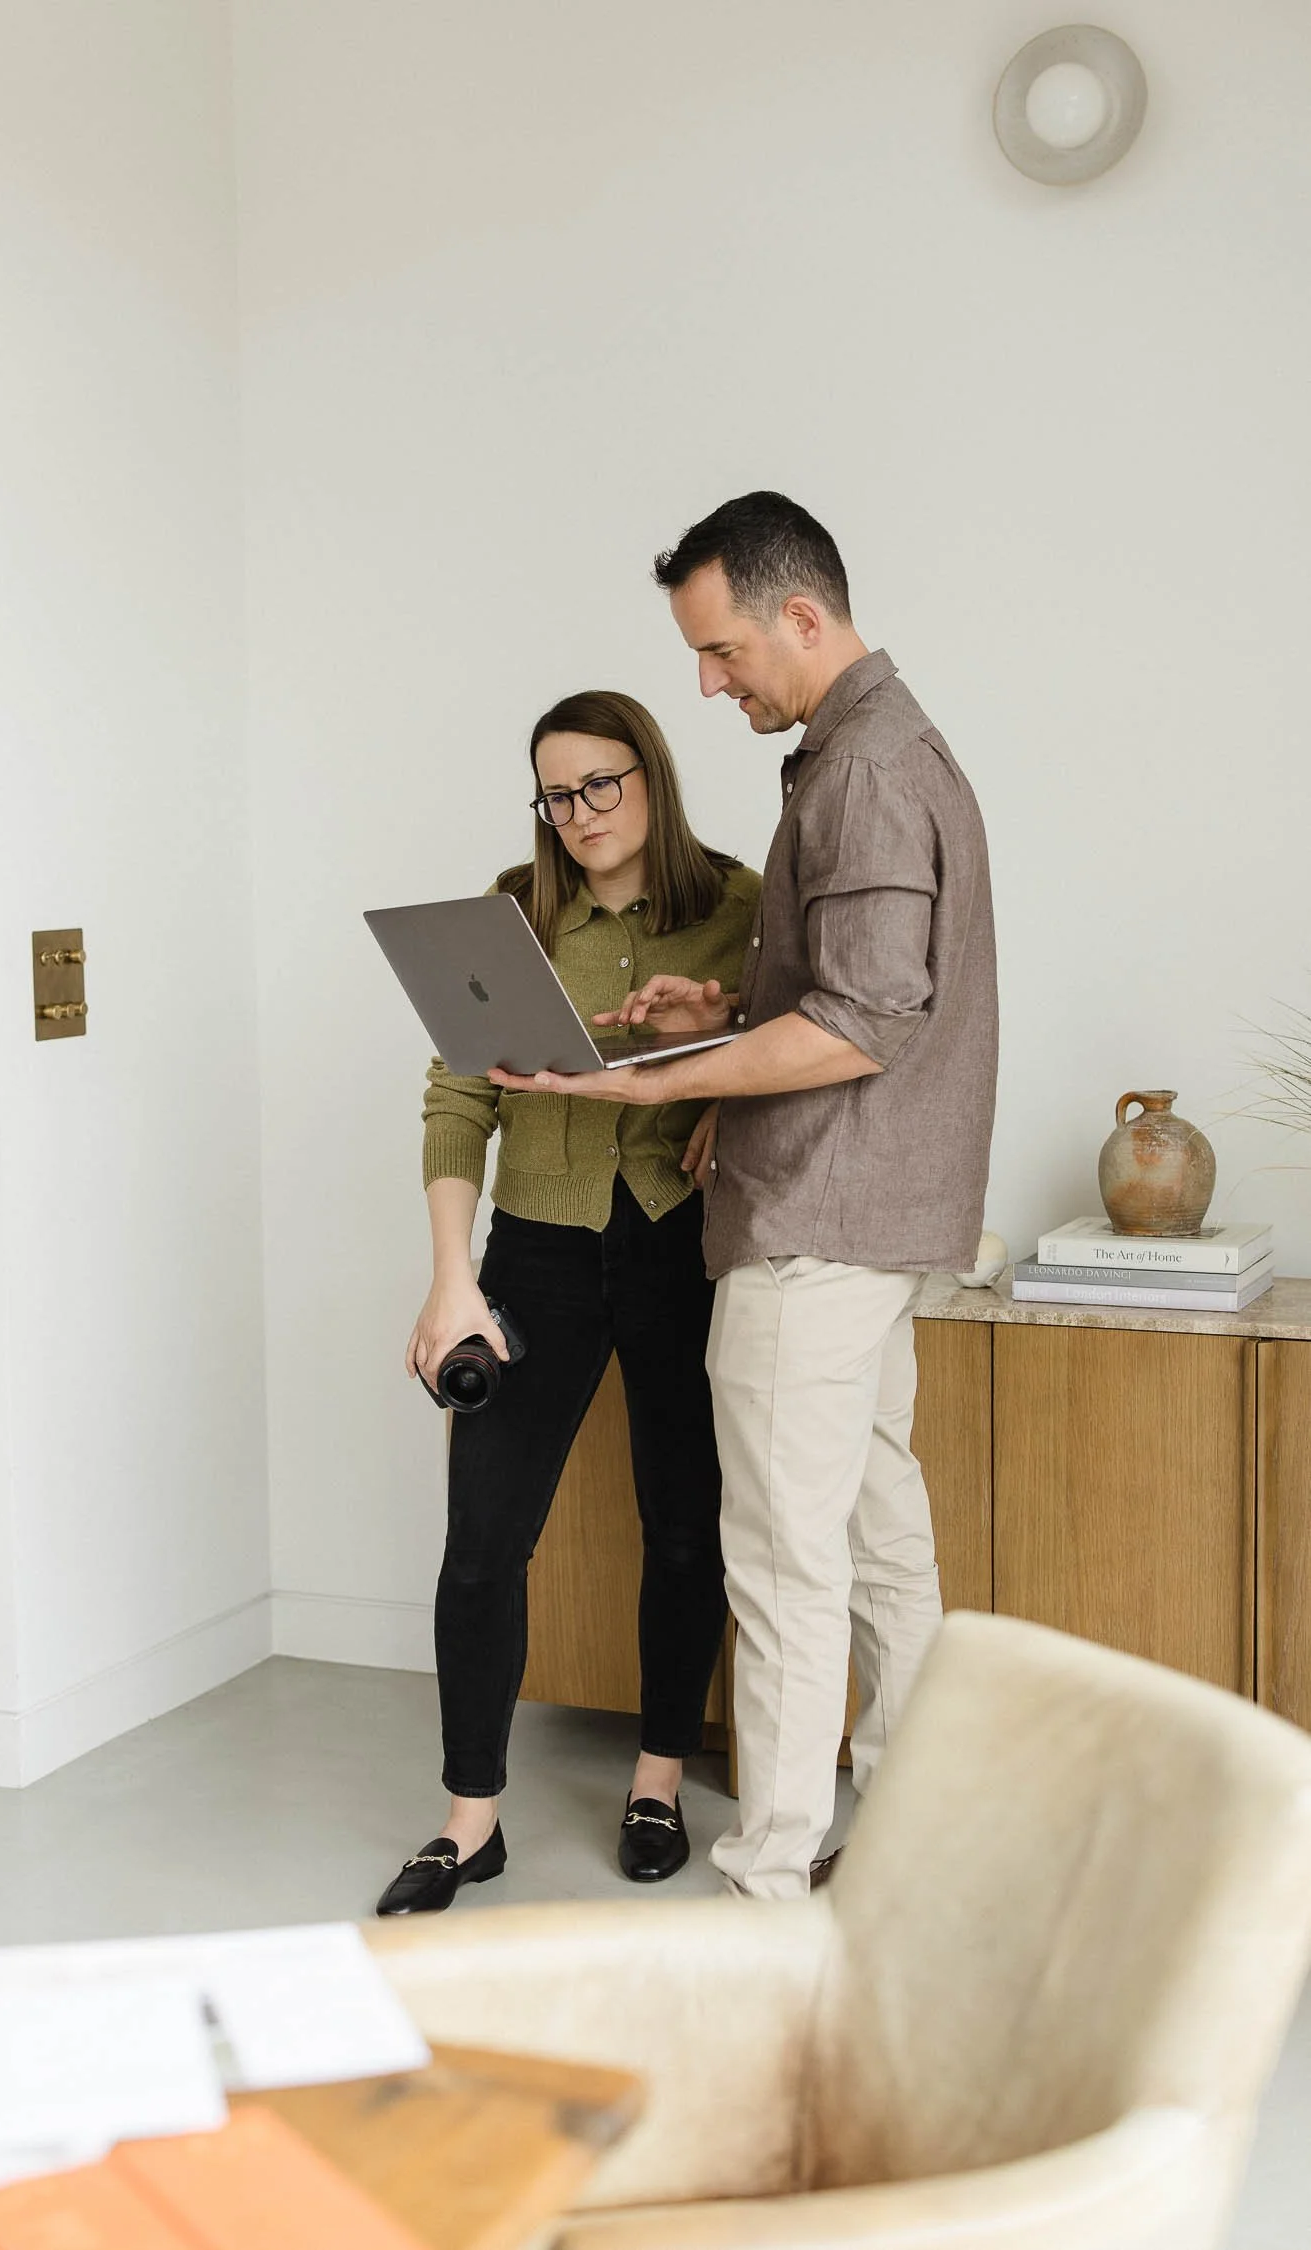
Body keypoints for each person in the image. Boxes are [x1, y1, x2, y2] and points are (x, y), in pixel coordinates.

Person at [488, 494, 998, 1901]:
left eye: (721, 653)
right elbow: (844, 991)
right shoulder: (868, 755)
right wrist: (716, 1011)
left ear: (802, 616)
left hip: (816, 1223)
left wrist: (649, 1088)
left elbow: (867, 1023)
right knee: (882, 1533)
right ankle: (906, 1837)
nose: (711, 685)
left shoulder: (868, 772)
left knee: (779, 1562)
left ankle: (768, 1883)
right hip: (874, 1222)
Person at [375, 689, 761, 1916]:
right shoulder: (504, 917)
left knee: (683, 1523)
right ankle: (469, 1820)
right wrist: (453, 1281)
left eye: (604, 782)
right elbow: (458, 1100)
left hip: (679, 1250)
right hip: (534, 1249)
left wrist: (720, 1092)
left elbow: (794, 1044)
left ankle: (657, 1780)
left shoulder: (738, 908)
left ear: (650, 778)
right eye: (557, 790)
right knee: (484, 1540)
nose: (581, 811)